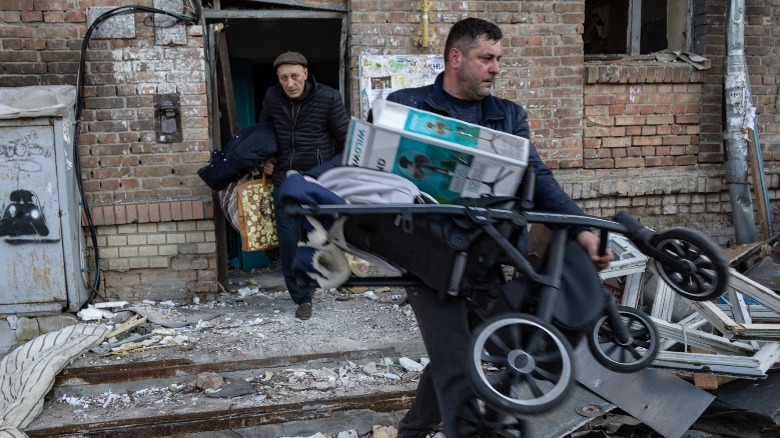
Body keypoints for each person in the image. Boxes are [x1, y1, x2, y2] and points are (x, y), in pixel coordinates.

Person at [385, 17, 614, 436]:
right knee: (456, 359)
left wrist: (581, 228)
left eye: (498, 59)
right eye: (486, 58)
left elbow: (539, 178)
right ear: (456, 58)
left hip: (486, 254)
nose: (495, 68)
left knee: (459, 351)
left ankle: (413, 429)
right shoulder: (409, 105)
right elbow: (379, 175)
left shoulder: (507, 117)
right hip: (426, 256)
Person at [259, 51, 350, 320]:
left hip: (316, 183)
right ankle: (301, 297)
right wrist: (265, 160)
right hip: (284, 182)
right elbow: (264, 134)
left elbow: (346, 146)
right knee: (288, 241)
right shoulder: (272, 97)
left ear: (306, 74)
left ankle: (326, 279)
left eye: (295, 76)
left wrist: (319, 173)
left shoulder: (329, 97)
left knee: (321, 237)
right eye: (284, 78)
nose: (290, 83)